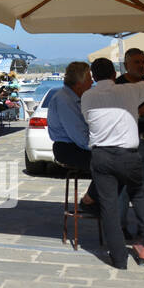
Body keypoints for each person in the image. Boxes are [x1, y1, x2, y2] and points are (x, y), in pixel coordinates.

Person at [80, 51, 144, 269]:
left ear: (93, 76)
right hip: (128, 154)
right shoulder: (129, 90)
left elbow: (88, 120)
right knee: (139, 192)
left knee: (109, 206)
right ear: (115, 73)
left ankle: (118, 258)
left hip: (101, 156)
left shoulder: (87, 97)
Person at [116, 47, 144, 236]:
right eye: (137, 62)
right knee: (125, 187)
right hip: (129, 143)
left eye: (143, 62)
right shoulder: (118, 85)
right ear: (126, 64)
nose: (141, 66)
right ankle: (120, 226)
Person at [46, 61, 99, 213]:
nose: (92, 82)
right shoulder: (65, 100)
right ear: (79, 83)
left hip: (74, 145)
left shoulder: (74, 98)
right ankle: (90, 200)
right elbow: (80, 137)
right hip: (67, 149)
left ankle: (97, 200)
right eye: (89, 78)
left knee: (112, 161)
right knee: (107, 163)